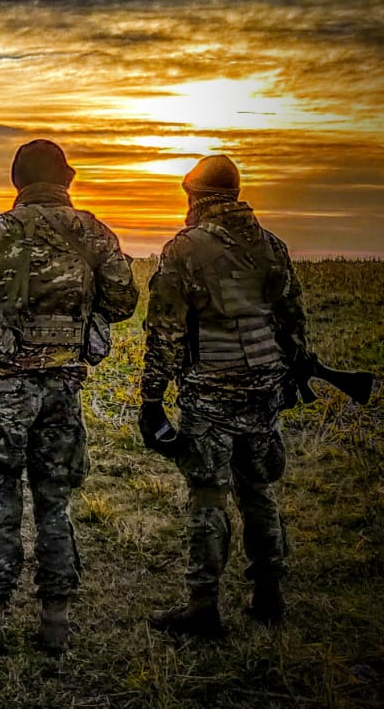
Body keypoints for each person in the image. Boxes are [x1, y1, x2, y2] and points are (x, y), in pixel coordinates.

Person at [0, 140, 138, 655]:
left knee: (0, 506)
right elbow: (123, 300)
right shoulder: (93, 232)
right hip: (64, 389)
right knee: (55, 505)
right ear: (66, 180)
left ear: (16, 181)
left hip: (3, 389)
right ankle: (56, 622)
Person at [139, 155, 308, 637]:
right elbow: (293, 321)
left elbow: (165, 335)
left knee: (209, 499)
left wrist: (151, 402)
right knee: (259, 493)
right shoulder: (271, 246)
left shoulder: (186, 250)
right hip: (263, 393)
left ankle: (203, 607)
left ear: (194, 196)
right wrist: (291, 376)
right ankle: (269, 594)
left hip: (210, 397)